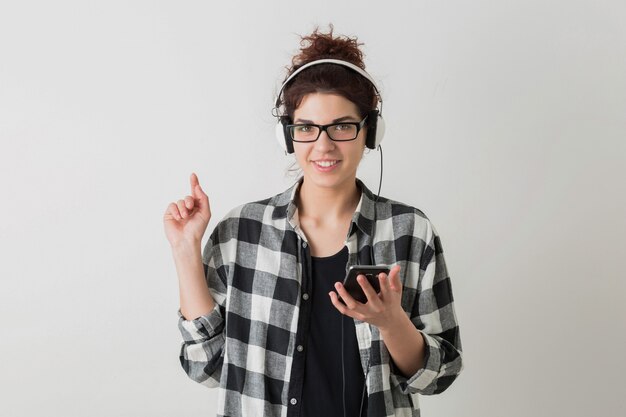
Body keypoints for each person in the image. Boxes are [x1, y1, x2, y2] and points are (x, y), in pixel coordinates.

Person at [164, 26, 463, 417]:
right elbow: (206, 366)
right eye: (306, 128)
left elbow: (440, 374)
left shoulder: (410, 231)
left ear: (369, 131)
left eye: (342, 126)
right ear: (287, 136)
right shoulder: (241, 232)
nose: (323, 146)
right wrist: (186, 251)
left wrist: (392, 323)